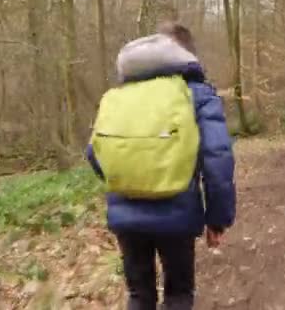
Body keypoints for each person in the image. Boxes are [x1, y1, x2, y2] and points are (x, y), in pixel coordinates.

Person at [85, 23, 236, 310]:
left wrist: (125, 183)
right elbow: (217, 156)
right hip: (177, 212)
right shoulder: (197, 93)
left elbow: (94, 152)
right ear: (187, 55)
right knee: (178, 294)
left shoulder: (123, 95)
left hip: (126, 215)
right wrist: (217, 217)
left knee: (139, 295)